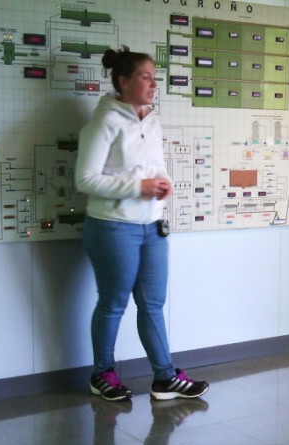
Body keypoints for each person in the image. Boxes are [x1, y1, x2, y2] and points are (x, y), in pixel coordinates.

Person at [76, 46, 207, 402]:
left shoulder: (152, 121)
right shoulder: (104, 122)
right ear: (123, 81)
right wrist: (138, 187)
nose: (153, 84)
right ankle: (102, 374)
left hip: (152, 228)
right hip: (112, 227)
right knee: (114, 303)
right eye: (145, 77)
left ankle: (165, 378)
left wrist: (162, 182)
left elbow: (155, 166)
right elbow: (85, 180)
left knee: (152, 304)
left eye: (155, 77)